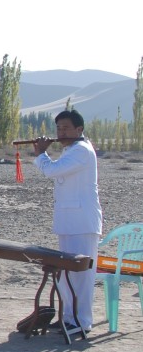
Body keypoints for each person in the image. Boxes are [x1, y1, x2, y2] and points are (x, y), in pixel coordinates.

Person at [31, 109, 102, 333]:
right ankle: (69, 318)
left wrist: (41, 153)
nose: (60, 133)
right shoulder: (71, 149)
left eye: (66, 129)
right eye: (58, 129)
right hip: (69, 220)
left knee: (81, 274)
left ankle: (82, 321)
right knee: (67, 273)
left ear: (79, 130)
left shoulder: (81, 150)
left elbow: (53, 171)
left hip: (82, 222)